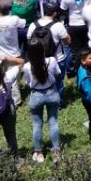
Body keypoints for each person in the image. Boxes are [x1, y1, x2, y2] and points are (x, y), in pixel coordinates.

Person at [22, 30, 64, 161]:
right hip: (52, 92)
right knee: (53, 122)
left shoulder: (27, 66)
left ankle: (39, 152)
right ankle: (56, 151)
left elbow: (27, 82)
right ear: (42, 49)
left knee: (37, 124)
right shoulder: (51, 60)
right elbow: (58, 73)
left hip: (36, 95)